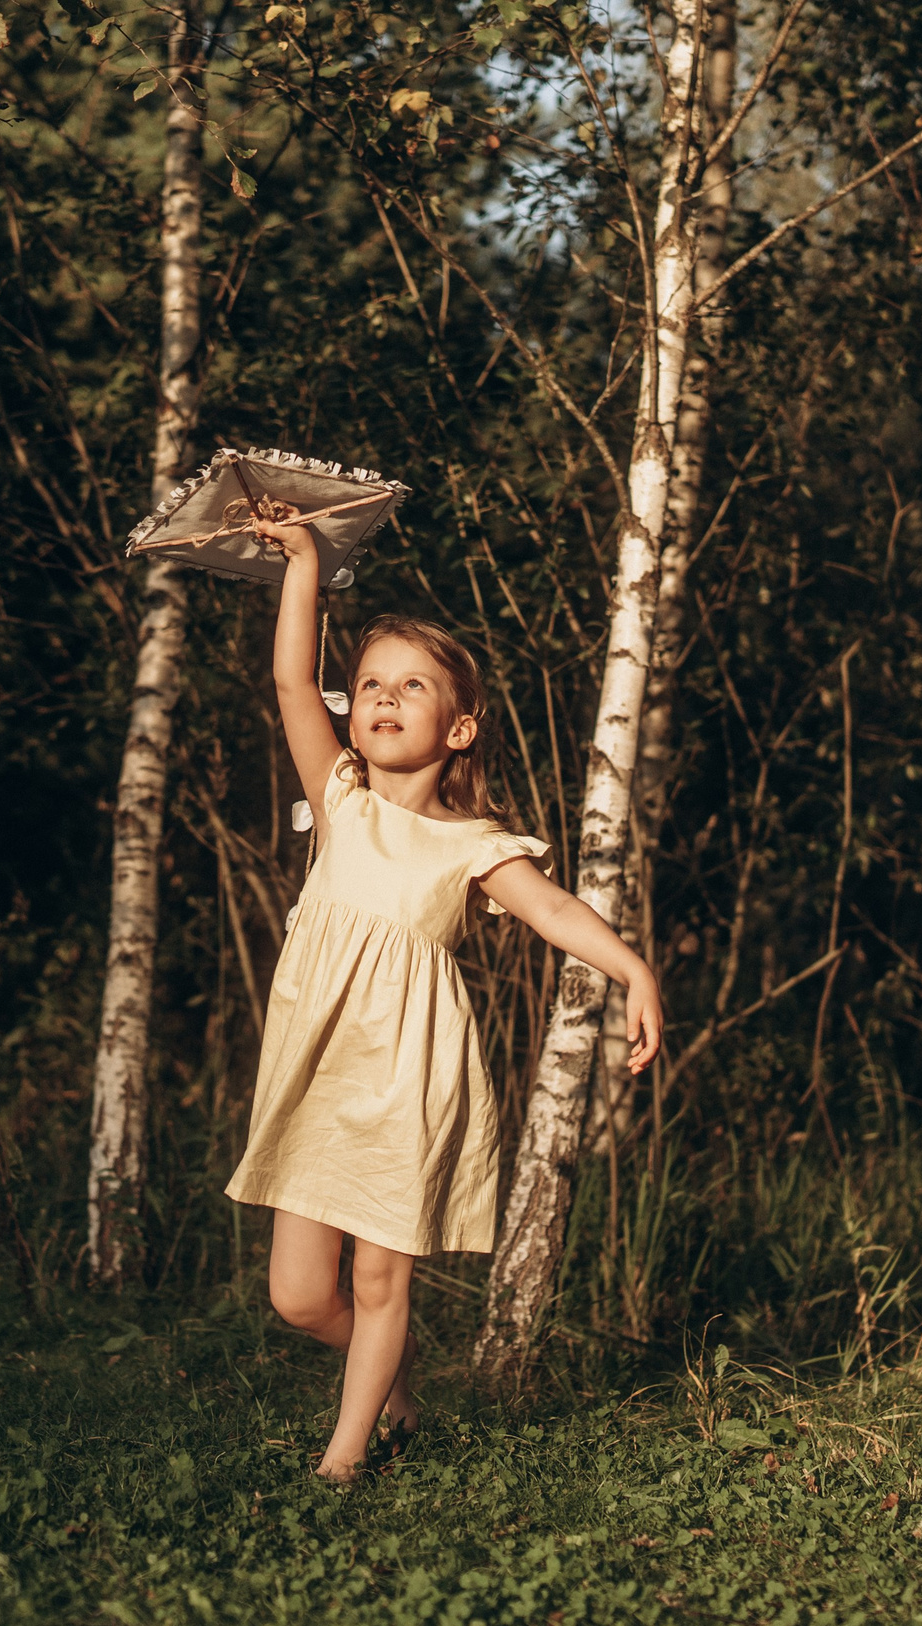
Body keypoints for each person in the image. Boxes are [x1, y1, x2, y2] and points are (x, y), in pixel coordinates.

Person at [228, 511, 662, 1482]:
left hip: (410, 1073)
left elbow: (552, 911)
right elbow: (293, 679)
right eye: (372, 683)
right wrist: (304, 563)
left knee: (381, 1278)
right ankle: (389, 1373)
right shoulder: (337, 796)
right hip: (316, 1069)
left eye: (409, 686)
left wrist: (633, 967)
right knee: (300, 1295)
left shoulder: (473, 845)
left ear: (457, 725)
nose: (382, 698)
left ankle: (341, 1462)